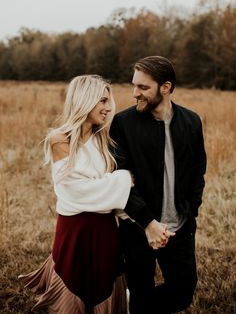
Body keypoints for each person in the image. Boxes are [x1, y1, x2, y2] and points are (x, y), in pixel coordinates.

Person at [18, 75, 134, 314]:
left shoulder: (105, 140)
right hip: (74, 231)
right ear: (85, 100)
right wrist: (122, 180)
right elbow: (76, 192)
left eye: (109, 100)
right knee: (74, 292)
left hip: (105, 230)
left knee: (105, 289)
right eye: (102, 101)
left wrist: (106, 188)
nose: (108, 107)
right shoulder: (60, 139)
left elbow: (97, 192)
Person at [110, 56, 207, 314]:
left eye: (143, 87)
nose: (134, 93)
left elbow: (198, 171)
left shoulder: (191, 121)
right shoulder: (123, 123)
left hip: (179, 227)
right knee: (141, 288)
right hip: (138, 227)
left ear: (165, 87)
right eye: (134, 85)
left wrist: (191, 209)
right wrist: (148, 223)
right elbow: (119, 180)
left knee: (183, 290)